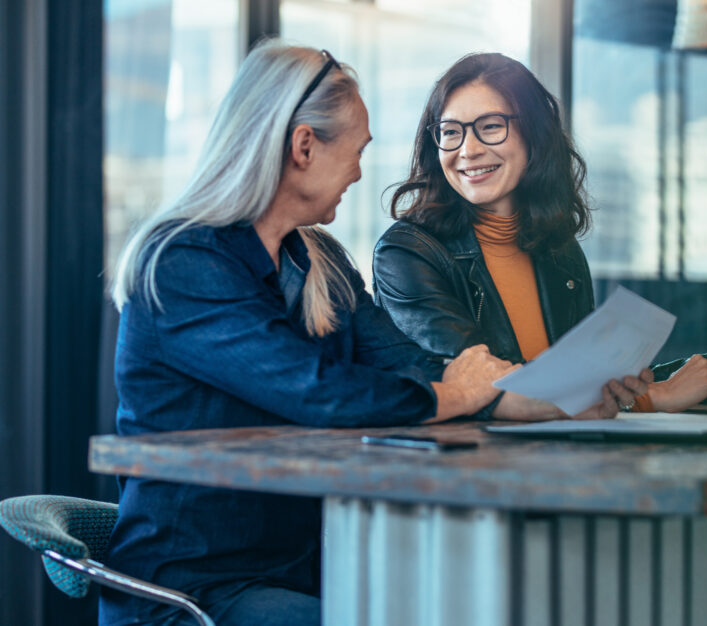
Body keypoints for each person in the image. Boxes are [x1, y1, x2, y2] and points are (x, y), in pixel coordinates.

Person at [101, 41, 520, 626]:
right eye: (356, 150)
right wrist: (461, 395)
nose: (358, 170)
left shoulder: (318, 259)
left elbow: (405, 360)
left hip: (301, 570)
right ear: (303, 146)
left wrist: (527, 395)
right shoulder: (181, 262)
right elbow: (317, 391)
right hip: (195, 591)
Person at [373, 52, 707, 418]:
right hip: (469, 472)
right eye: (450, 131)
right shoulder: (407, 253)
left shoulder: (558, 249)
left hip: (559, 461)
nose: (468, 149)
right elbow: (481, 385)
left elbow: (596, 383)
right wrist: (654, 397)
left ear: (534, 135)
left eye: (490, 127)